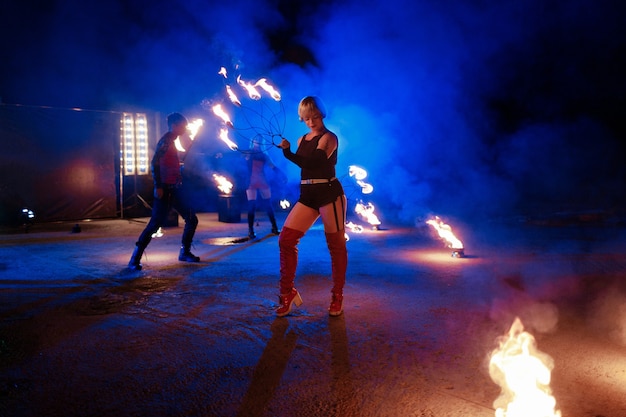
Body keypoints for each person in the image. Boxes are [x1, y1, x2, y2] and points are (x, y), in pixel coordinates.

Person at [276, 96, 347, 317]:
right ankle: (287, 293)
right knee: (286, 240)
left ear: (321, 114)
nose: (311, 121)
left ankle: (337, 295)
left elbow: (314, 163)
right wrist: (291, 151)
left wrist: (287, 153)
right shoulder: (301, 140)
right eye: (306, 118)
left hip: (329, 193)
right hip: (307, 195)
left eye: (314, 116)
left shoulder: (329, 138)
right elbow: (305, 168)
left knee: (335, 246)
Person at [128, 112, 200, 270]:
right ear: (174, 126)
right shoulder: (165, 142)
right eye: (183, 126)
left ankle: (185, 253)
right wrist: (158, 186)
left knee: (191, 219)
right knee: (155, 224)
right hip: (165, 190)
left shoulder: (174, 142)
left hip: (175, 189)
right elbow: (154, 164)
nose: (185, 129)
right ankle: (134, 258)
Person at [245, 139, 281, 239]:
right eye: (256, 141)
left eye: (259, 141)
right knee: (251, 205)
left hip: (261, 180)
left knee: (268, 205)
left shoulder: (264, 155)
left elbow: (273, 167)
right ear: (253, 142)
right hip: (251, 181)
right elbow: (234, 154)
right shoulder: (248, 153)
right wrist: (220, 155)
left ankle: (274, 227)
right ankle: (251, 230)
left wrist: (282, 175)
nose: (257, 143)